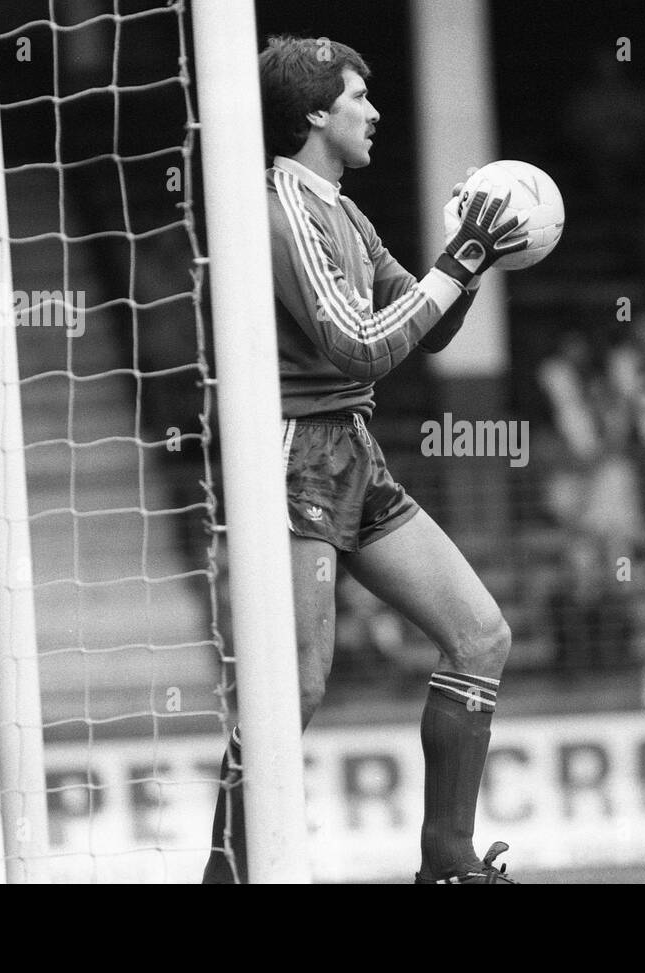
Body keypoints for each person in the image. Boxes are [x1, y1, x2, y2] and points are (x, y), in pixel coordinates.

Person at [202, 35, 528, 885]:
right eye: (357, 97)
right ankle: (226, 874)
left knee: (479, 633)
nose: (375, 111)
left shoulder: (343, 209)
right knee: (296, 689)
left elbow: (424, 325)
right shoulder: (282, 205)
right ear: (314, 112)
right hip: (291, 456)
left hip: (351, 448)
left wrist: (474, 258)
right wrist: (453, 267)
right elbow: (358, 343)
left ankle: (447, 861)